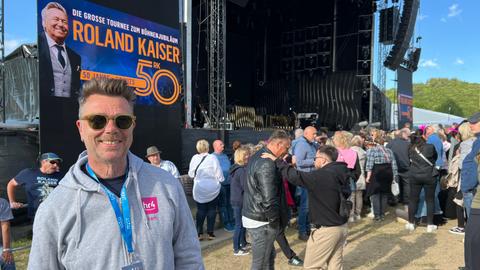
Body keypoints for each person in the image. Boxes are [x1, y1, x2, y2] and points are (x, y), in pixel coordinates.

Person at [28, 78, 203, 269]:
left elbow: (189, 259)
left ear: (132, 126)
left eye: (122, 121)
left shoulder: (167, 186)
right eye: (97, 121)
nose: (111, 129)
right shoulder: (54, 210)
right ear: (80, 128)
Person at [262, 145, 351, 269]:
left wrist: (277, 161)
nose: (314, 161)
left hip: (327, 230)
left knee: (311, 266)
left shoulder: (321, 176)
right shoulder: (340, 172)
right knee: (335, 265)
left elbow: (295, 176)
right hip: (341, 227)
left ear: (324, 160)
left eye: (316, 158)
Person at [242, 130, 290, 270]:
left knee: (269, 257)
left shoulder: (259, 155)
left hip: (256, 215)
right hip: (261, 219)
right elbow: (269, 199)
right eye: (286, 147)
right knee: (261, 262)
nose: (287, 151)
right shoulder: (266, 163)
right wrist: (274, 222)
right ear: (278, 143)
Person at [39, 2, 81, 98]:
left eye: (64, 21)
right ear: (44, 23)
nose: (61, 24)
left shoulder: (75, 57)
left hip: (69, 110)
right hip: (43, 109)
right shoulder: (36, 48)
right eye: (56, 19)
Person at [7, 152, 64, 220]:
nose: (55, 165)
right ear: (43, 162)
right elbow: (11, 184)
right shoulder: (28, 173)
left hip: (56, 215)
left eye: (57, 163)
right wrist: (12, 202)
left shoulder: (61, 176)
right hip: (36, 215)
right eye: (53, 162)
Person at [189, 139, 224, 240]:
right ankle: (210, 233)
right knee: (212, 210)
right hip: (212, 188)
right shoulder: (213, 158)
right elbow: (219, 173)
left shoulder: (194, 158)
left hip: (199, 188)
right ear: (208, 147)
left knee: (201, 210)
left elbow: (191, 174)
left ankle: (199, 233)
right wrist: (220, 180)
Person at [405, 133, 438, 233]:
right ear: (423, 137)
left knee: (413, 199)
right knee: (430, 200)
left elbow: (409, 160)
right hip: (429, 175)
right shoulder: (430, 147)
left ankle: (411, 223)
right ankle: (430, 224)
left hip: (415, 175)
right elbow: (435, 157)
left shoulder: (410, 148)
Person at [292, 126, 317, 241]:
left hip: (310, 178)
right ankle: (302, 231)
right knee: (305, 206)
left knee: (309, 206)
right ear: (306, 133)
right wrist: (315, 161)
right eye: (314, 134)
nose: (315, 136)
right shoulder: (302, 144)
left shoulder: (311, 144)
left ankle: (306, 228)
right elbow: (299, 162)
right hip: (305, 179)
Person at [365, 136, 398, 221]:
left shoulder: (372, 150)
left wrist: (368, 177)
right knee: (384, 193)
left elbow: (369, 165)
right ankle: (382, 214)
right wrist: (394, 176)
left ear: (375, 142)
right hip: (388, 173)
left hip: (377, 173)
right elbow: (394, 165)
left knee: (375, 194)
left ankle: (377, 215)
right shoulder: (389, 151)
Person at [333, 131, 360, 222]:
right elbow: (358, 170)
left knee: (336, 198)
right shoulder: (353, 153)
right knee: (350, 199)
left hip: (336, 179)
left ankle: (337, 215)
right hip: (349, 178)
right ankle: (350, 216)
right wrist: (353, 178)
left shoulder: (334, 152)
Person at [229, 146, 250, 256]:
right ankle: (236, 249)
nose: (248, 156)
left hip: (237, 200)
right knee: (239, 225)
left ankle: (243, 243)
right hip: (238, 201)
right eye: (246, 155)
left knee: (242, 224)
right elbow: (245, 187)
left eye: (248, 154)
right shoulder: (240, 170)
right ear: (241, 156)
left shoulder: (236, 168)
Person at [212, 139, 235, 231]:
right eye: (221, 144)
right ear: (215, 146)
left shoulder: (225, 156)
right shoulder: (212, 157)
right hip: (220, 185)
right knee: (223, 204)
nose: (223, 146)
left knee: (230, 203)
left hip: (229, 183)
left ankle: (232, 221)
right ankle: (226, 223)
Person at [387, 128, 411, 206]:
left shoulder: (390, 143)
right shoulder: (408, 144)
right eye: (408, 135)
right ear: (403, 134)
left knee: (395, 183)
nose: (408, 137)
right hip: (405, 166)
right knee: (406, 184)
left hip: (394, 167)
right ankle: (406, 201)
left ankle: (394, 200)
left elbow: (386, 154)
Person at [351, 135, 367, 221]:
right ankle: (358, 214)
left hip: (353, 174)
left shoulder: (350, 151)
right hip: (361, 175)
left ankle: (351, 215)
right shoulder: (364, 152)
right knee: (359, 195)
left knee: (352, 196)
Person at [0, 198, 15, 270]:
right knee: (8, 261)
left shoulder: (2, 203)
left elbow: (5, 227)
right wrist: (6, 249)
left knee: (7, 261)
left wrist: (6, 249)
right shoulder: (2, 202)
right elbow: (5, 227)